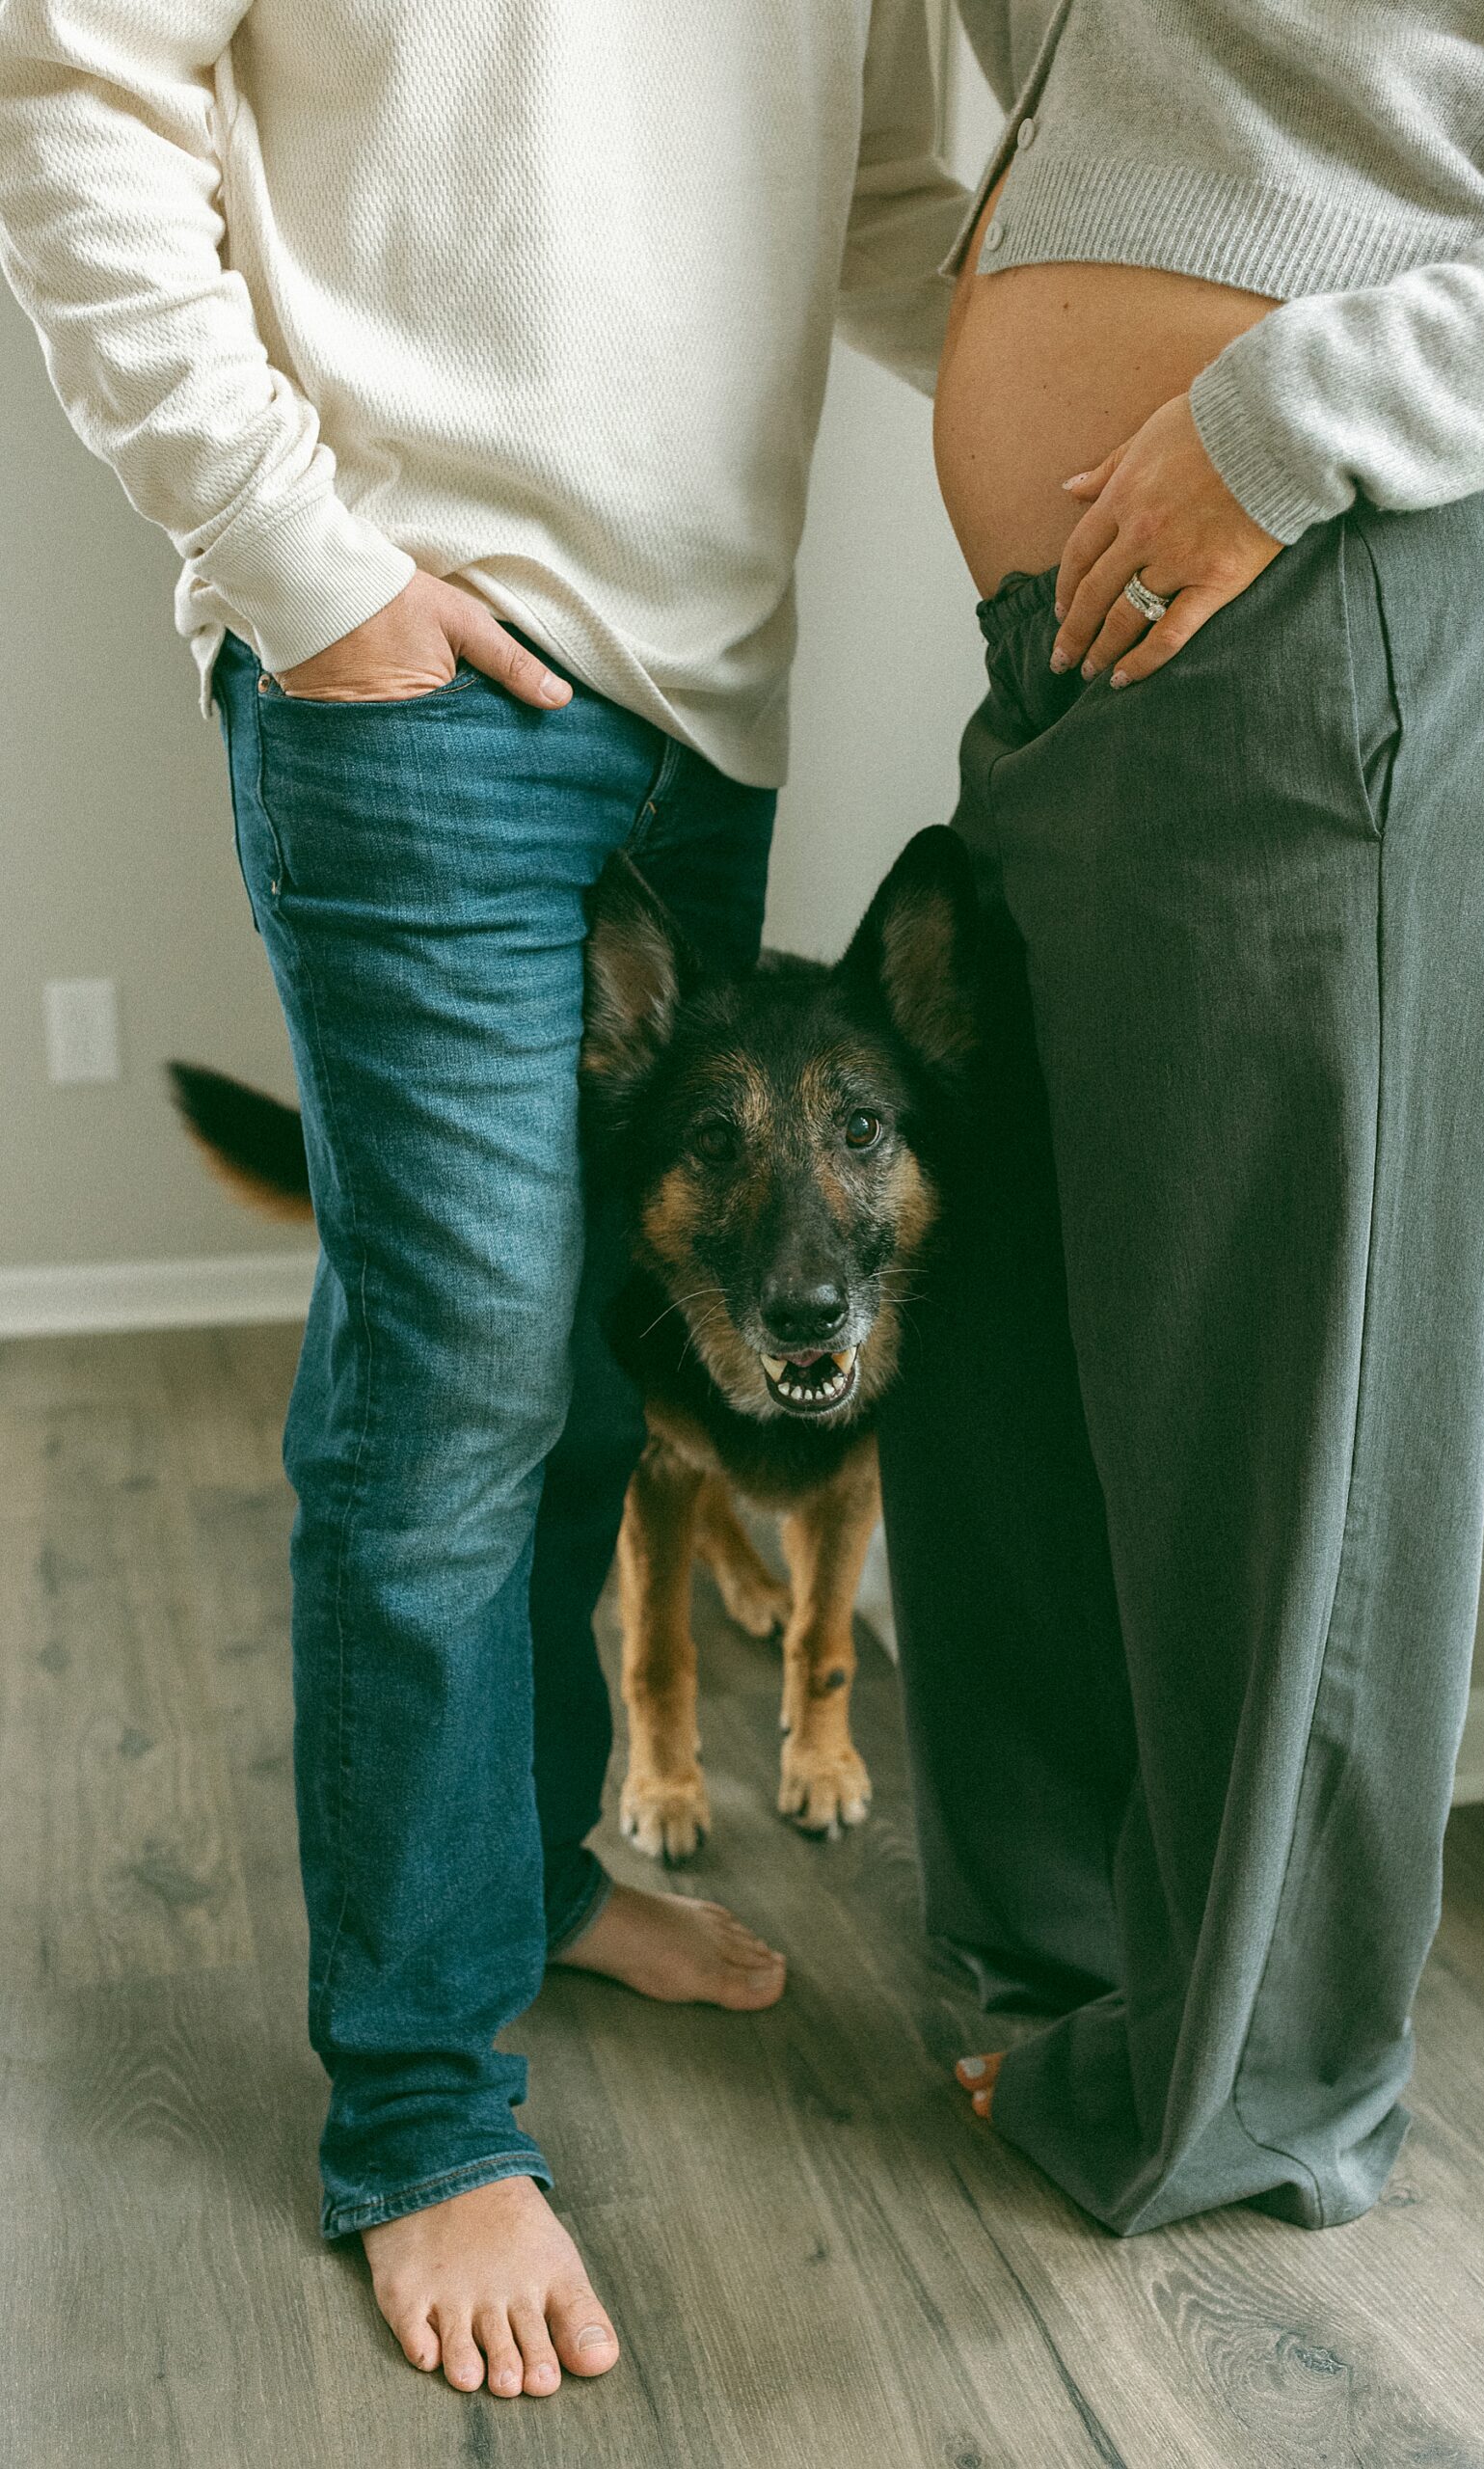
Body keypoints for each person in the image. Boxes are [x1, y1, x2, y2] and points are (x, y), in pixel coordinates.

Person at [0, 0, 965, 2397]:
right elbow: (74, 81)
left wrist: (1181, 418)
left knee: (564, 1389)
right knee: (447, 1408)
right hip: (406, 664)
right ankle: (424, 2115)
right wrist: (291, 559)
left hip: (703, 701)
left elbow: (873, 210)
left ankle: (526, 1881)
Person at [877, 0, 1484, 2233]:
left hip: (1344, 606)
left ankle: (1254, 2088)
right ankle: (1073, 1971)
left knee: (1294, 1415)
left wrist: (1278, 417)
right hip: (1078, 660)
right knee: (997, 1346)